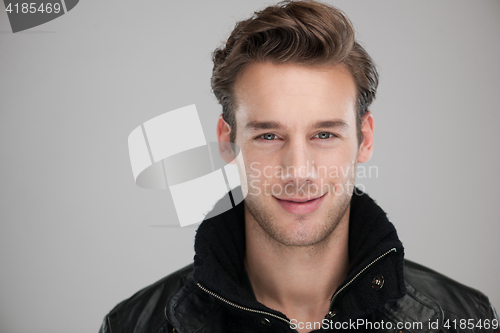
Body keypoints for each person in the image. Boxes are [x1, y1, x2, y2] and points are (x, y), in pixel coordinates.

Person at [99, 1, 499, 332]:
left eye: (324, 135)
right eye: (268, 136)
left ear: (365, 139)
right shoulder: (133, 325)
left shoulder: (462, 318)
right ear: (227, 140)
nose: (298, 171)